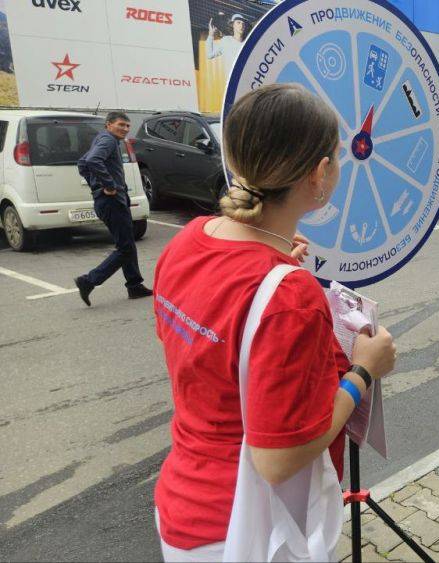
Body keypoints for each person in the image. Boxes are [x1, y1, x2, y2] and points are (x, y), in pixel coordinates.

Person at [152, 83, 396, 561]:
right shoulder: (289, 295)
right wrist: (363, 372)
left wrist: (276, 268)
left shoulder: (188, 241)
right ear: (321, 174)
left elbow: (205, 355)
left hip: (182, 510)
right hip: (248, 532)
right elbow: (281, 457)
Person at [74, 112, 152, 306]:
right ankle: (88, 281)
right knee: (125, 248)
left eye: (127, 126)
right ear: (108, 125)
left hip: (110, 200)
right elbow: (92, 161)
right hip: (111, 201)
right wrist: (107, 185)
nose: (125, 129)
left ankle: (134, 285)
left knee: (127, 243)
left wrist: (95, 185)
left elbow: (82, 163)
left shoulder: (105, 139)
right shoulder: (108, 140)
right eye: (121, 125)